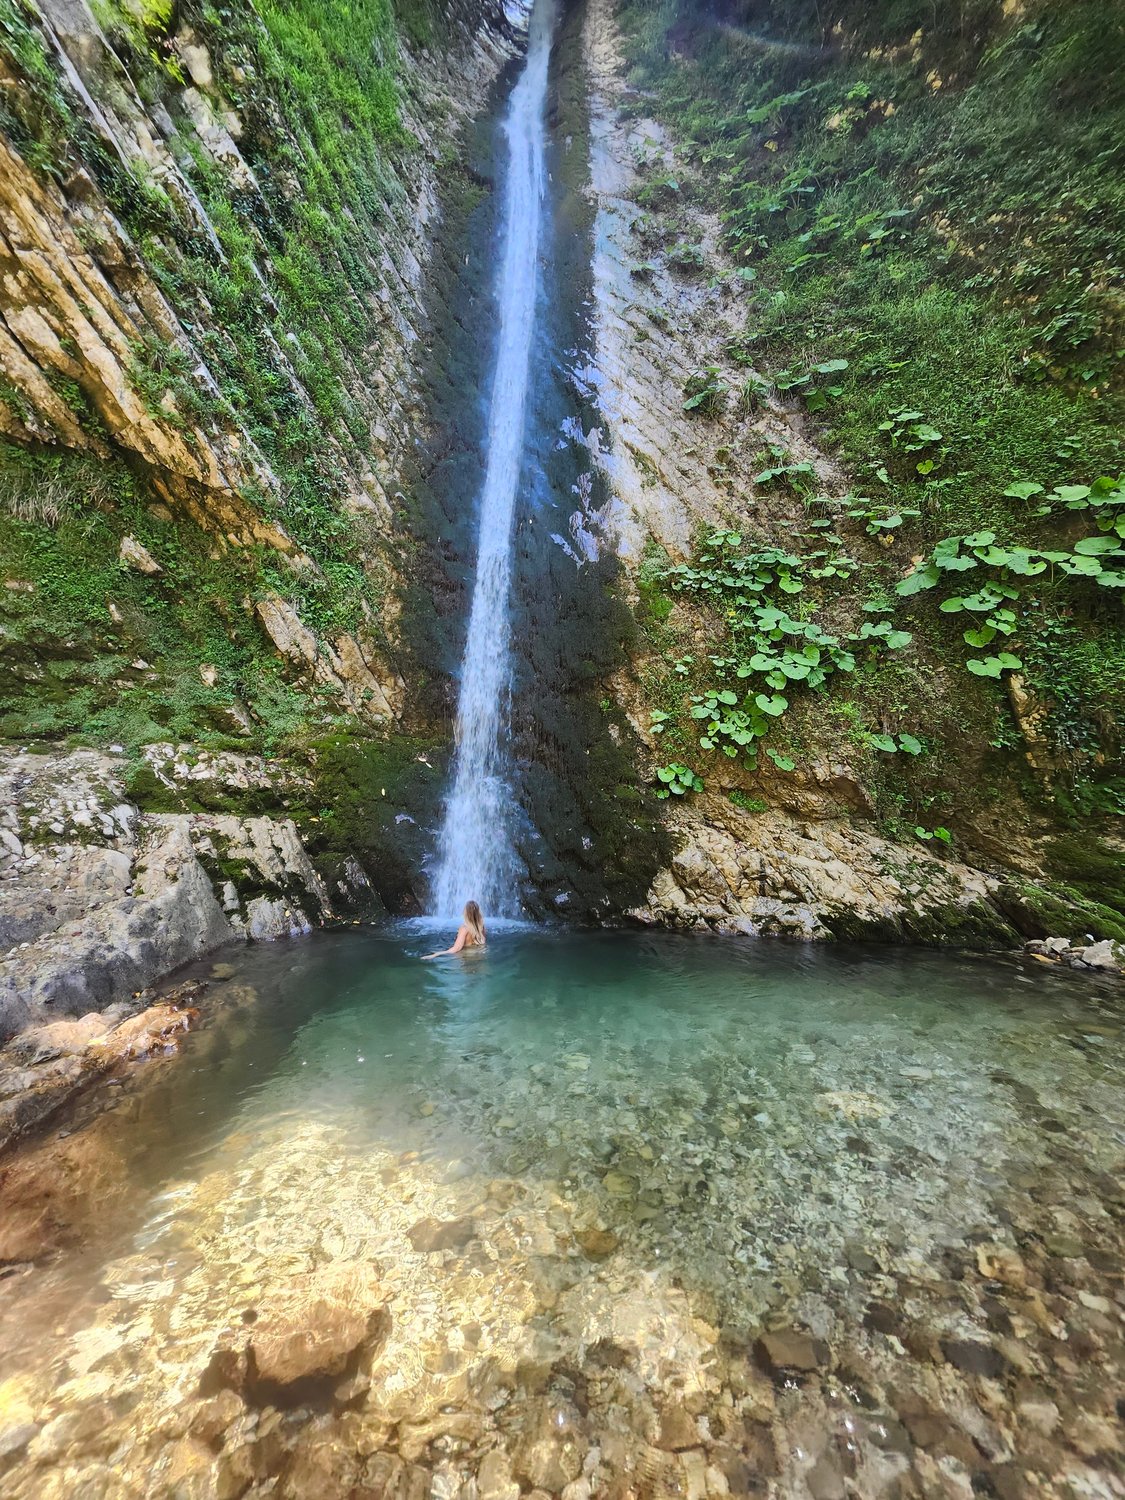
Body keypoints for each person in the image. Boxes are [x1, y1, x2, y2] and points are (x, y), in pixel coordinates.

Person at [422, 900, 487, 959]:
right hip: (479, 955)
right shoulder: (481, 927)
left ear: (466, 913)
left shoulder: (464, 928)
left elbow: (456, 948)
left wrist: (436, 954)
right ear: (478, 913)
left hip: (467, 957)